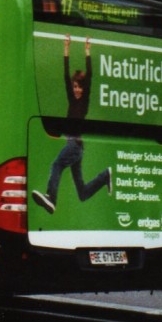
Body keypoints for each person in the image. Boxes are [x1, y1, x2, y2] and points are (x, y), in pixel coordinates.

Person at [31, 35, 112, 214]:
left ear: (84, 89)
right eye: (75, 87)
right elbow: (65, 76)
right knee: (82, 192)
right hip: (75, 146)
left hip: (75, 144)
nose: (76, 90)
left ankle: (51, 198)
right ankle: (105, 175)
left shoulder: (84, 102)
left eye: (79, 87)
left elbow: (90, 76)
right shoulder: (71, 98)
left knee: (56, 165)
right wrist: (66, 49)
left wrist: (87, 51)